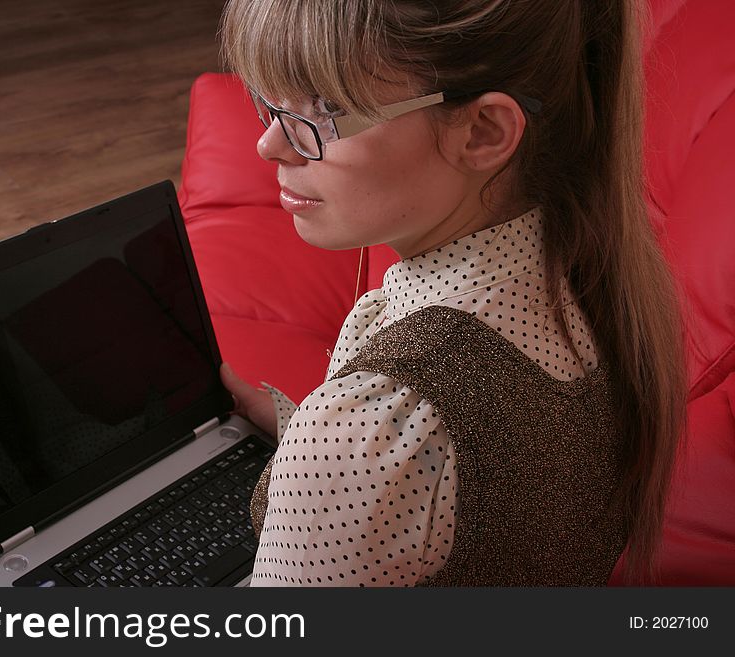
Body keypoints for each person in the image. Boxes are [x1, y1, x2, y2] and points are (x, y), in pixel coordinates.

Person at [217, 0, 688, 586]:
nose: (270, 145)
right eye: (274, 101)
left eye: (328, 108)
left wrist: (329, 451)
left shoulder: (381, 422)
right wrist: (301, 436)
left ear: (484, 132)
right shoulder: (598, 290)